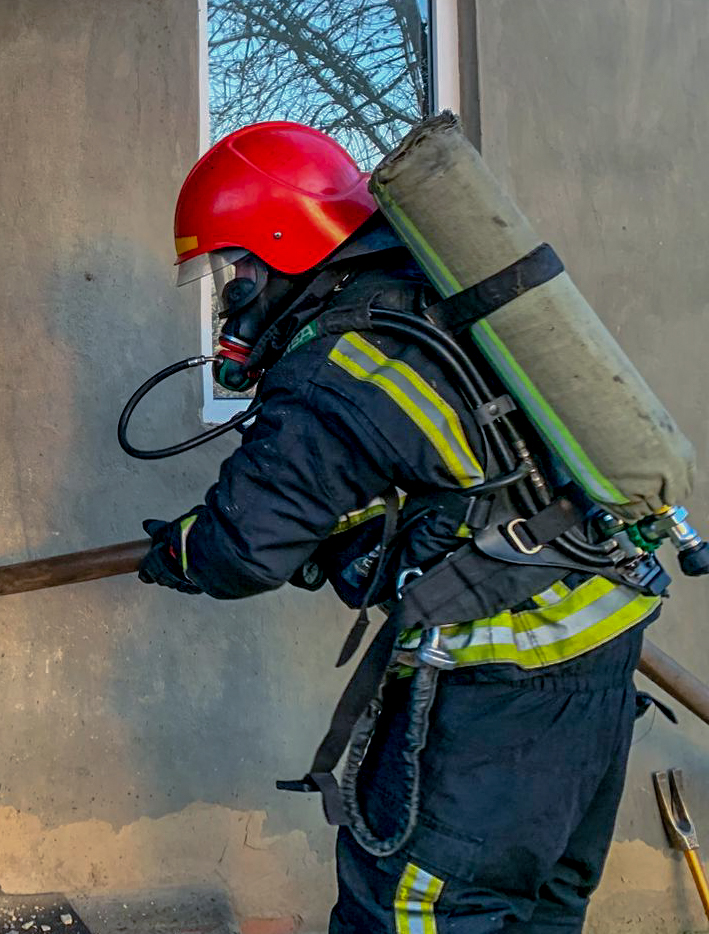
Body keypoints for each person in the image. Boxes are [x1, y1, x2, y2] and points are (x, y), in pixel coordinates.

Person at [138, 121, 663, 932]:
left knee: (413, 915)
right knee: (536, 912)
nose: (229, 294)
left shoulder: (334, 364)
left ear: (278, 246)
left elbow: (238, 550)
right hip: (595, 666)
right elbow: (456, 481)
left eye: (232, 268)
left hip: (494, 693)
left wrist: (177, 552)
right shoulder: (435, 310)